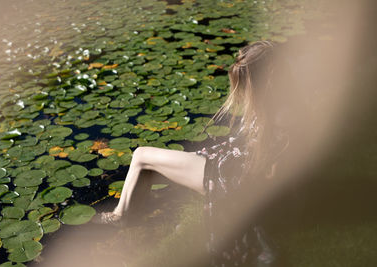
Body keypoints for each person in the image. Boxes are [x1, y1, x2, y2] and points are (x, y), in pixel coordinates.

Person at [92, 40, 292, 266]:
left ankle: (122, 218)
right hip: (228, 162)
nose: (244, 92)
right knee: (149, 164)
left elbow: (274, 173)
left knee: (141, 157)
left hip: (228, 175)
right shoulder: (283, 102)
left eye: (246, 84)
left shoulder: (281, 117)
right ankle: (134, 216)